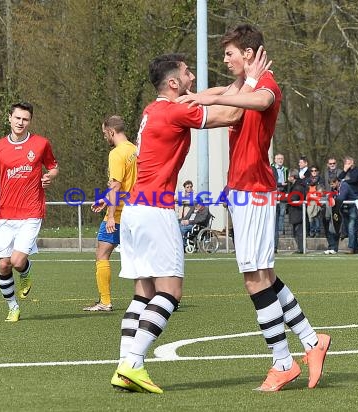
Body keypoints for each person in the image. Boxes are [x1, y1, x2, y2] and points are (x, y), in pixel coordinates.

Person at [176, 24, 330, 392]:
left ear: (248, 54)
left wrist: (208, 100)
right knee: (265, 276)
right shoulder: (245, 85)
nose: (225, 60)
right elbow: (224, 93)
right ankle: (311, 341)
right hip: (244, 190)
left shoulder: (266, 84)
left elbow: (260, 102)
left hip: (256, 189)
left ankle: (282, 363)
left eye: (229, 54)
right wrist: (193, 97)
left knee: (254, 278)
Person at [111, 48, 271, 394]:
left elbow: (216, 97)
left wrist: (239, 83)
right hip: (155, 209)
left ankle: (124, 365)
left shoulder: (153, 108)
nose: (192, 77)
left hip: (135, 209)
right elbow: (230, 114)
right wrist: (254, 81)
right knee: (171, 292)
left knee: (143, 293)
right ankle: (132, 363)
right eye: (186, 73)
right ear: (173, 82)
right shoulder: (175, 112)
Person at [0, 101, 59, 322]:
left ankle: (26, 271)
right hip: (5, 214)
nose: (21, 122)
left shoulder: (41, 144)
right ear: (9, 118)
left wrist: (49, 176)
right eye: (17, 118)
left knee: (18, 261)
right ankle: (13, 306)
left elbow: (54, 166)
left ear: (30, 121)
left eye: (25, 119)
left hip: (31, 211)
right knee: (3, 264)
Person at [84, 115, 137, 312]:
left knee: (102, 254)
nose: (104, 136)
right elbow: (127, 185)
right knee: (142, 258)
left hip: (120, 214)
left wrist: (111, 216)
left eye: (104, 133)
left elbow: (115, 186)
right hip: (138, 212)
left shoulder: (116, 154)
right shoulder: (135, 149)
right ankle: (159, 297)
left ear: (111, 132)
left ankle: (105, 302)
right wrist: (104, 199)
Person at [338, 156, 358, 254]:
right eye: (345, 163)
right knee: (350, 226)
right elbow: (338, 179)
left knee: (352, 226)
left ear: (352, 162)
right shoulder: (344, 172)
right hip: (345, 201)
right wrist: (344, 171)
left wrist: (344, 181)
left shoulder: (357, 170)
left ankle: (351, 247)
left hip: (353, 200)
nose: (347, 164)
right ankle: (355, 248)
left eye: (348, 163)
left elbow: (354, 180)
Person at [272, 153, 288, 252]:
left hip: (283, 192)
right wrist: (280, 184)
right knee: (275, 215)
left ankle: (281, 230)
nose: (280, 160)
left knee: (282, 212)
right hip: (274, 192)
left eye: (281, 158)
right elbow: (272, 181)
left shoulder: (285, 169)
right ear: (275, 160)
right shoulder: (271, 168)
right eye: (278, 158)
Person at [286, 170, 305, 254]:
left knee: (299, 231)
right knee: (296, 231)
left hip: (298, 211)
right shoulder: (295, 185)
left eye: (289, 176)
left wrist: (281, 198)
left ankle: (301, 248)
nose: (287, 178)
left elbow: (293, 198)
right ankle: (300, 248)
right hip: (296, 211)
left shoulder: (297, 187)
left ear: (293, 177)